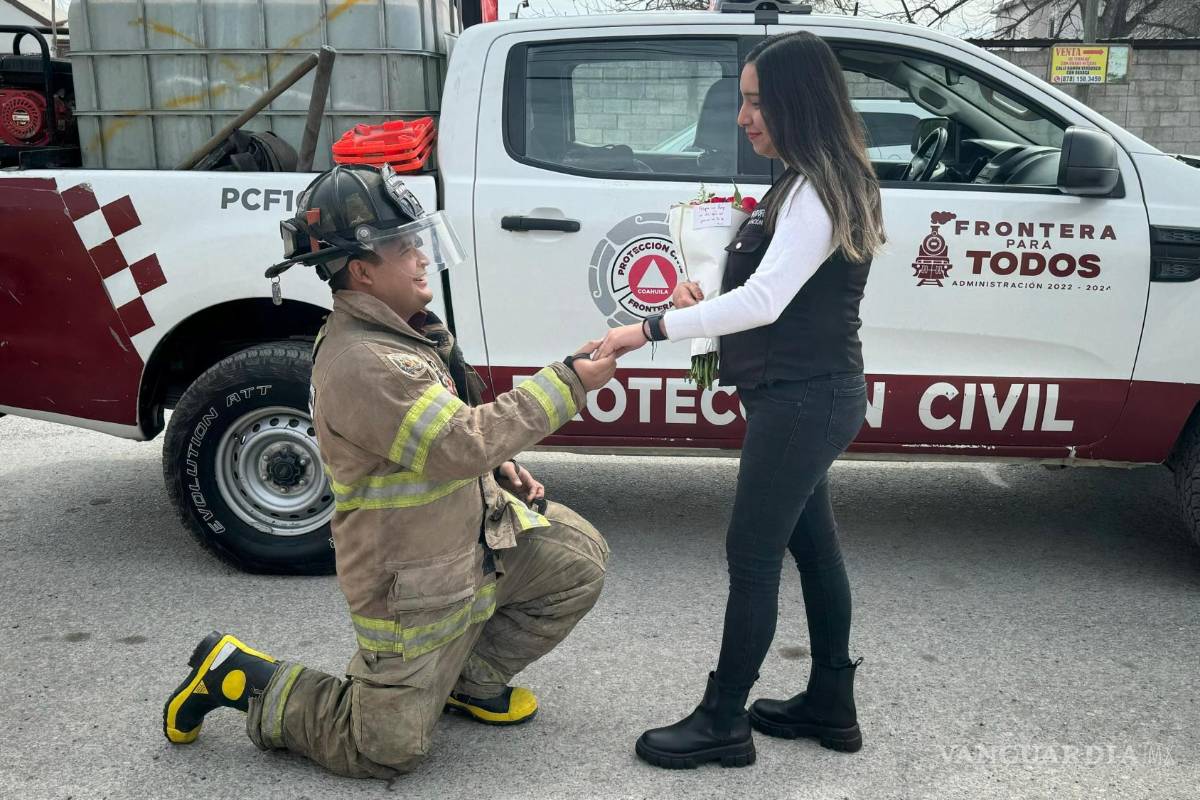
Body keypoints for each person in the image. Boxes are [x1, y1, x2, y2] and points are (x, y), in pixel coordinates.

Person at [162, 163, 614, 779]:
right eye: (405, 247)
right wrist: (568, 383)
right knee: (379, 749)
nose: (422, 258)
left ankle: (465, 682)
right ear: (362, 269)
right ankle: (239, 676)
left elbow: (449, 427)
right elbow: (456, 444)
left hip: (471, 544)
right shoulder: (364, 361)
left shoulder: (405, 335)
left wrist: (500, 462)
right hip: (414, 582)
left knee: (577, 560)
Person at [598, 31, 886, 769]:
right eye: (745, 100)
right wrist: (706, 295)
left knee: (752, 552)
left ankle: (724, 719)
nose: (742, 116)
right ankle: (831, 703)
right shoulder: (804, 180)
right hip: (803, 395)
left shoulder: (820, 187)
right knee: (812, 548)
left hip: (804, 398)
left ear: (797, 101)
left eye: (756, 101)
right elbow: (767, 293)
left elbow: (766, 301)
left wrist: (651, 327)